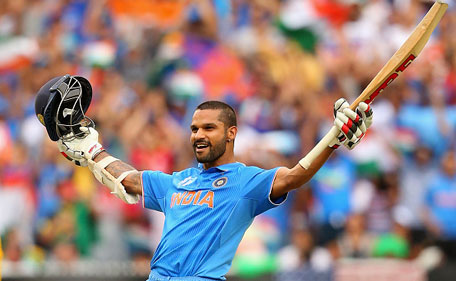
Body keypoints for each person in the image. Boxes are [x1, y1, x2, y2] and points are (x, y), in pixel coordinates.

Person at [35, 75, 373, 281]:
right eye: (195, 128)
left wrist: (332, 139)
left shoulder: (245, 183)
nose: (198, 135)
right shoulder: (177, 181)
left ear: (231, 134)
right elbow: (131, 179)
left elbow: (296, 175)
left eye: (209, 128)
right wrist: (93, 151)